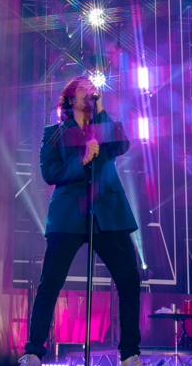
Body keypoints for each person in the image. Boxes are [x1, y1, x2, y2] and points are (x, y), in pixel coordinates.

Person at [19, 76, 142, 366]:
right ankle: (34, 351)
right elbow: (50, 173)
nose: (91, 91)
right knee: (50, 282)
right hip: (68, 214)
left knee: (128, 279)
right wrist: (83, 160)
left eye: (93, 89)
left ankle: (130, 354)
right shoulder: (53, 133)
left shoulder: (104, 125)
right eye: (84, 89)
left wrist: (100, 112)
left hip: (109, 213)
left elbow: (123, 144)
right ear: (71, 98)